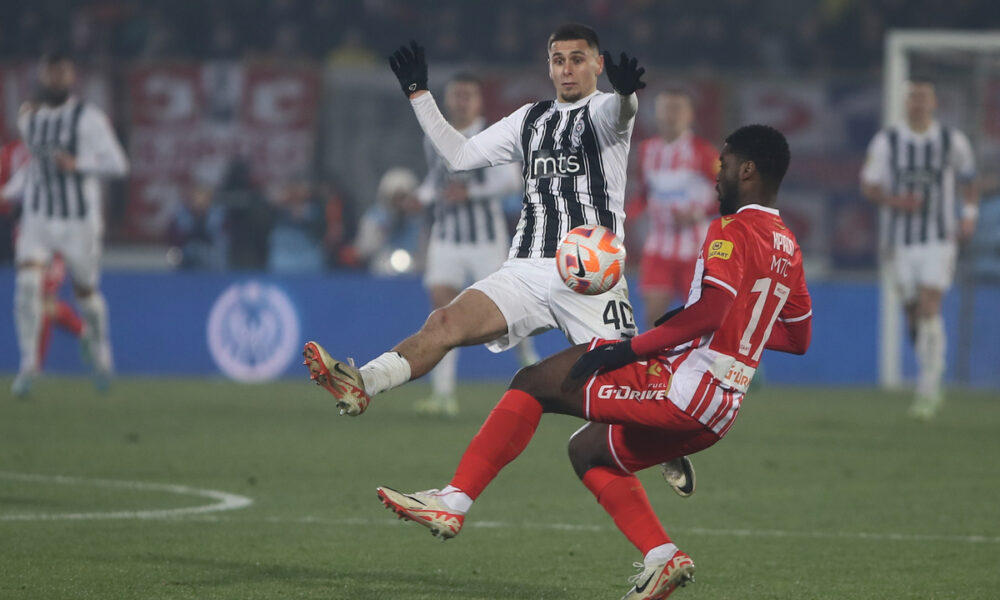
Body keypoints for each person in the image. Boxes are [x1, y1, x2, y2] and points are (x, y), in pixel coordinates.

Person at [374, 125, 811, 599]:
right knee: (589, 451)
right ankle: (662, 556)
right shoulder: (787, 244)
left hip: (683, 387)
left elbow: (711, 312)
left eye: (724, 164)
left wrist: (628, 349)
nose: (716, 174)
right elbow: (797, 336)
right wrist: (730, 334)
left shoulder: (731, 229)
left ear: (747, 171)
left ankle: (454, 501)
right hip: (721, 409)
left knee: (534, 382)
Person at [304, 24, 694, 493]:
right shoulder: (529, 119)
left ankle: (664, 442)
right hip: (525, 268)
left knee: (628, 384)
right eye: (558, 60)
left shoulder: (606, 111)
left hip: (591, 276)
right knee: (444, 322)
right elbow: (460, 156)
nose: (567, 69)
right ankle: (362, 383)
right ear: (549, 66)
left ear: (597, 64)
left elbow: (623, 111)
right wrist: (419, 94)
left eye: (577, 59)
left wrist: (627, 94)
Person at [413, 71, 538, 417]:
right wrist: (418, 197)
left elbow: (510, 181)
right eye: (457, 95)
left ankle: (527, 354)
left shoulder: (492, 135)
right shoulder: (434, 136)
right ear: (447, 99)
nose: (462, 102)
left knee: (505, 311)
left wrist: (471, 193)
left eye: (468, 95)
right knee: (441, 312)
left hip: (486, 240)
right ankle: (443, 394)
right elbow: (435, 181)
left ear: (479, 101)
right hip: (446, 238)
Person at [10, 50, 129, 396]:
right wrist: (7, 191)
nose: (56, 78)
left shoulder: (88, 118)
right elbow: (33, 168)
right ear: (42, 75)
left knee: (87, 296)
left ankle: (101, 350)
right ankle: (28, 365)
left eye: (62, 72)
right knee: (27, 286)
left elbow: (118, 164)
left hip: (79, 223)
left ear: (72, 76)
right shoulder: (29, 117)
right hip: (38, 217)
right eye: (51, 72)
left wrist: (79, 164)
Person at [860, 77, 978, 420]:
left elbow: (969, 180)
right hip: (899, 241)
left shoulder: (952, 141)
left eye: (924, 96)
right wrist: (896, 200)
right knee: (912, 312)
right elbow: (869, 186)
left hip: (940, 238)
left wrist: (969, 215)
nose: (918, 103)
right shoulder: (888, 141)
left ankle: (928, 385)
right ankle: (932, 362)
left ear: (935, 102)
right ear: (906, 102)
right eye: (913, 97)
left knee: (929, 305)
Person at [630, 89, 718, 330]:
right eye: (666, 109)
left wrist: (697, 214)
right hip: (658, 249)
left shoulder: (704, 152)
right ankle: (655, 356)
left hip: (696, 252)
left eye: (677, 109)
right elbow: (644, 194)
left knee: (701, 322)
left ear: (690, 115)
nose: (671, 115)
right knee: (653, 318)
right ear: (656, 114)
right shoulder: (647, 150)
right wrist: (623, 217)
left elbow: (726, 194)